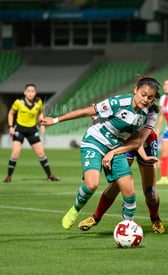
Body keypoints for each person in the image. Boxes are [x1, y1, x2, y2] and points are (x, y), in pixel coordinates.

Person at [41, 76, 160, 230]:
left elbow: (136, 142)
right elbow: (86, 112)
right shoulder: (118, 103)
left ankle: (126, 228)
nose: (145, 100)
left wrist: (140, 156)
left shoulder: (146, 115)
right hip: (95, 141)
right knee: (92, 184)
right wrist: (55, 120)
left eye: (150, 98)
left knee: (129, 192)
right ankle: (75, 209)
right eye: (143, 95)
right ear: (135, 90)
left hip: (115, 148)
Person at [78, 129, 165, 234]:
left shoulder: (146, 114)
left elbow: (138, 138)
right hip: (124, 140)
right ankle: (96, 218)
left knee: (150, 191)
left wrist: (145, 157)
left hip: (146, 141)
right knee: (116, 185)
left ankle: (155, 218)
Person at [4, 83, 60, 183]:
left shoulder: (38, 102)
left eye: (32, 91)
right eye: (28, 91)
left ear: (35, 93)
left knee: (41, 153)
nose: (30, 93)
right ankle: (8, 177)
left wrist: (42, 124)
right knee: (15, 153)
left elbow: (40, 113)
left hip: (32, 130)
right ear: (25, 92)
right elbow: (11, 113)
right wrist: (10, 127)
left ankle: (50, 176)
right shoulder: (18, 102)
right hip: (19, 129)